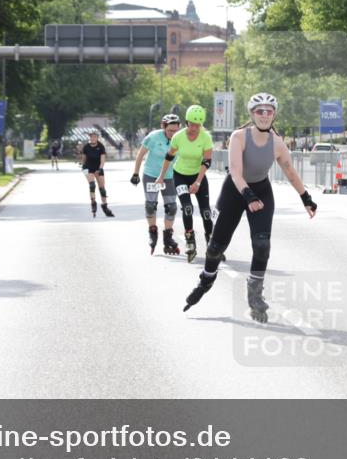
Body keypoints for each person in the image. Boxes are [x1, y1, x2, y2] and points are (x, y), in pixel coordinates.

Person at [183, 92, 318, 322]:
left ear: (274, 114)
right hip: (235, 192)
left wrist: (306, 197)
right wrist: (247, 195)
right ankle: (206, 279)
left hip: (261, 191)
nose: (265, 115)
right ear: (252, 114)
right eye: (259, 111)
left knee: (262, 243)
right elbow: (235, 171)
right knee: (216, 247)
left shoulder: (277, 143)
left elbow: (290, 172)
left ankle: (255, 294)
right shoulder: (239, 136)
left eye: (269, 111)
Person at [155, 105, 215, 262]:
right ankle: (190, 242)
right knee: (187, 208)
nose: (195, 128)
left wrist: (198, 182)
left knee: (206, 212)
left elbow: (207, 161)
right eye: (192, 124)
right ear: (187, 122)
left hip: (198, 175)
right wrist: (161, 176)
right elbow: (169, 157)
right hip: (180, 175)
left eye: (198, 125)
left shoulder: (206, 137)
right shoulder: (178, 137)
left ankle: (212, 245)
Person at [132, 114, 182, 254]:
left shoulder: (180, 139)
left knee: (171, 207)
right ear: (163, 127)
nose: (173, 134)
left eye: (176, 131)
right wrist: (135, 173)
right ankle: (153, 232)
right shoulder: (153, 137)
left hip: (170, 176)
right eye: (170, 131)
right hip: (151, 175)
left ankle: (168, 237)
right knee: (150, 205)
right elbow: (140, 155)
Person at [81, 130, 113, 217]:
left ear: (97, 138)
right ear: (90, 137)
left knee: (102, 189)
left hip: (98, 168)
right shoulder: (86, 147)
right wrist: (83, 167)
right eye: (92, 136)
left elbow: (103, 159)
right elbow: (84, 159)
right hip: (88, 168)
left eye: (95, 136)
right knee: (92, 185)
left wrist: (100, 168)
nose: (93, 138)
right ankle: (93, 203)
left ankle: (105, 206)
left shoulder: (101, 146)